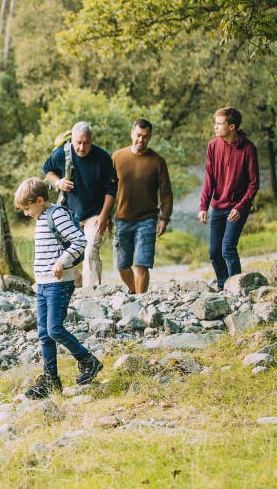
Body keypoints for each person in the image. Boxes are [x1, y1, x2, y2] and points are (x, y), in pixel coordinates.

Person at [13, 178, 102, 398]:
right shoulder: (41, 216)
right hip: (43, 284)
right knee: (44, 334)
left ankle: (88, 360)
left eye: (27, 208)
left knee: (54, 329)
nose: (25, 213)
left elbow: (80, 241)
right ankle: (51, 380)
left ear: (40, 200)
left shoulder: (57, 215)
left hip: (59, 284)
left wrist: (62, 261)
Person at [43, 122, 117, 288]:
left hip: (95, 213)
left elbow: (111, 190)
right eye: (78, 142)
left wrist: (104, 216)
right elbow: (47, 169)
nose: (82, 147)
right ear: (72, 140)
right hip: (69, 213)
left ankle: (91, 291)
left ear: (91, 140)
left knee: (90, 250)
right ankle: (74, 285)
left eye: (86, 143)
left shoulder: (103, 158)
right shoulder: (63, 153)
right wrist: (58, 182)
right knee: (66, 252)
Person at [198, 107, 259, 290]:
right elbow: (209, 178)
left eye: (219, 123)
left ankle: (237, 288)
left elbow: (254, 184)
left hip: (237, 208)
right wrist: (203, 206)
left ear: (232, 127)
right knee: (214, 252)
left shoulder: (248, 149)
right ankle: (223, 284)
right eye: (215, 123)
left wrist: (240, 208)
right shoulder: (213, 146)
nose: (215, 127)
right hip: (218, 205)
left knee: (228, 248)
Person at [111, 119, 173, 294]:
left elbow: (166, 193)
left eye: (145, 137)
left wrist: (164, 218)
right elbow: (108, 190)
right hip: (122, 219)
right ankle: (133, 291)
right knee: (122, 266)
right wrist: (105, 216)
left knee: (141, 264)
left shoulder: (157, 161)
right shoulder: (117, 157)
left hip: (147, 220)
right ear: (132, 133)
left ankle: (141, 302)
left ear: (150, 137)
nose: (141, 140)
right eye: (138, 135)